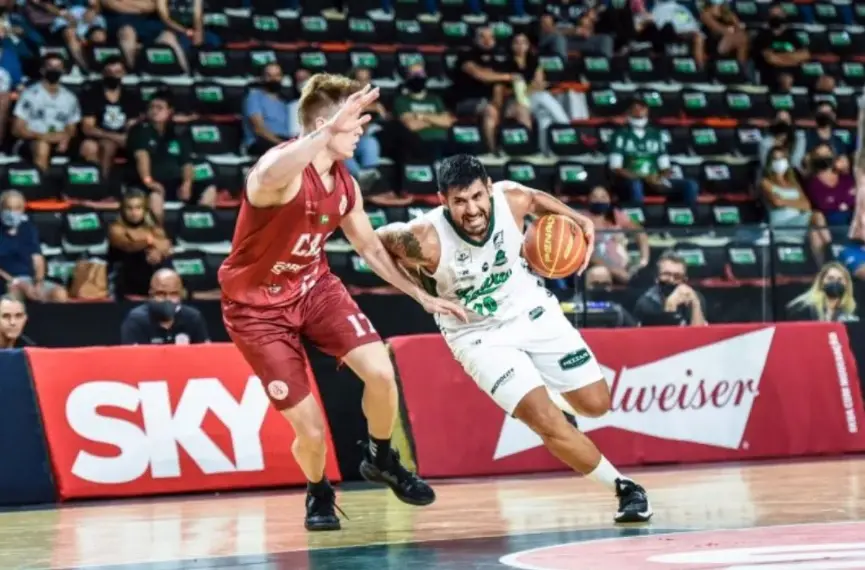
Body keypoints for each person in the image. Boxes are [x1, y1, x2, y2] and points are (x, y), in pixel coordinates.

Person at [218, 74, 466, 532]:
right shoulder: (279, 174)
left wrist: (421, 296)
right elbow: (268, 173)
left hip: (313, 288)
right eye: (353, 126)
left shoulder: (346, 185)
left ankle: (382, 456)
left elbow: (371, 249)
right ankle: (318, 491)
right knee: (311, 432)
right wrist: (324, 132)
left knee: (380, 372)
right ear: (324, 125)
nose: (361, 133)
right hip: (256, 310)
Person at [375, 154, 652, 524]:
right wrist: (420, 295)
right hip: (476, 334)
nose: (471, 209)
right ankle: (624, 488)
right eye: (459, 201)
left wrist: (576, 216)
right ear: (443, 201)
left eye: (477, 196)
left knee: (596, 405)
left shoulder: (511, 199)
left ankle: (551, 396)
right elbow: (374, 246)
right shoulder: (422, 238)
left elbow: (536, 199)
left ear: (489, 189)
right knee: (546, 422)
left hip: (531, 309)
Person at [609, 98, 700, 205]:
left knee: (690, 185)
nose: (639, 111)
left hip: (654, 180)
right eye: (635, 108)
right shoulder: (620, 135)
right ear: (628, 111)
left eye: (642, 108)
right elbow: (616, 168)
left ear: (647, 110)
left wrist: (660, 178)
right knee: (636, 185)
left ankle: (686, 216)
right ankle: (638, 216)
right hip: (631, 181)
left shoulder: (656, 134)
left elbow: (665, 167)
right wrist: (643, 178)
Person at [761, 145, 830, 265]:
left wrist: (784, 201)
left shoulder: (793, 182)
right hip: (781, 226)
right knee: (817, 215)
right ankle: (832, 248)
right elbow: (776, 202)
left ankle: (823, 267)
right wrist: (796, 203)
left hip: (798, 222)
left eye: (782, 158)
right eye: (775, 159)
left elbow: (807, 205)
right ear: (770, 162)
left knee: (815, 233)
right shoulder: (766, 182)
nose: (779, 162)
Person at [0, 190, 68, 302]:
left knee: (59, 294)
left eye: (17, 208)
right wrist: (18, 283)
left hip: (30, 280)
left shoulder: (29, 229)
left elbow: (38, 260)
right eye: (8, 208)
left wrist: (38, 283)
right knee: (14, 296)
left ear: (23, 210)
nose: (12, 212)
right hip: (7, 281)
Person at [107, 189, 173, 297]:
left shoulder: (154, 228)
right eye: (129, 208)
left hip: (150, 272)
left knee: (165, 259)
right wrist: (149, 241)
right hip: (125, 274)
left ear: (145, 210)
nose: (134, 213)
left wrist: (158, 252)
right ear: (123, 210)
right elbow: (128, 246)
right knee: (139, 255)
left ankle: (167, 292)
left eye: (138, 208)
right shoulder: (116, 228)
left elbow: (166, 245)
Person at [120, 268, 209, 344]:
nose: (168, 299)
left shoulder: (192, 318)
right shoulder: (136, 320)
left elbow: (205, 355)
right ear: (151, 294)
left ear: (181, 295)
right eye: (161, 294)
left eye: (173, 294)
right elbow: (133, 359)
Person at [633, 251, 707, 327]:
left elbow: (699, 334)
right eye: (666, 274)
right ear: (656, 277)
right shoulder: (646, 303)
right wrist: (670, 306)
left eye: (677, 276)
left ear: (685, 279)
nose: (671, 280)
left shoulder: (695, 297)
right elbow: (665, 336)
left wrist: (695, 304)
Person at [787, 262, 858, 322]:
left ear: (846, 284)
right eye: (830, 278)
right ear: (821, 281)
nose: (835, 282)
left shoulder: (849, 309)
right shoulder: (803, 307)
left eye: (840, 279)